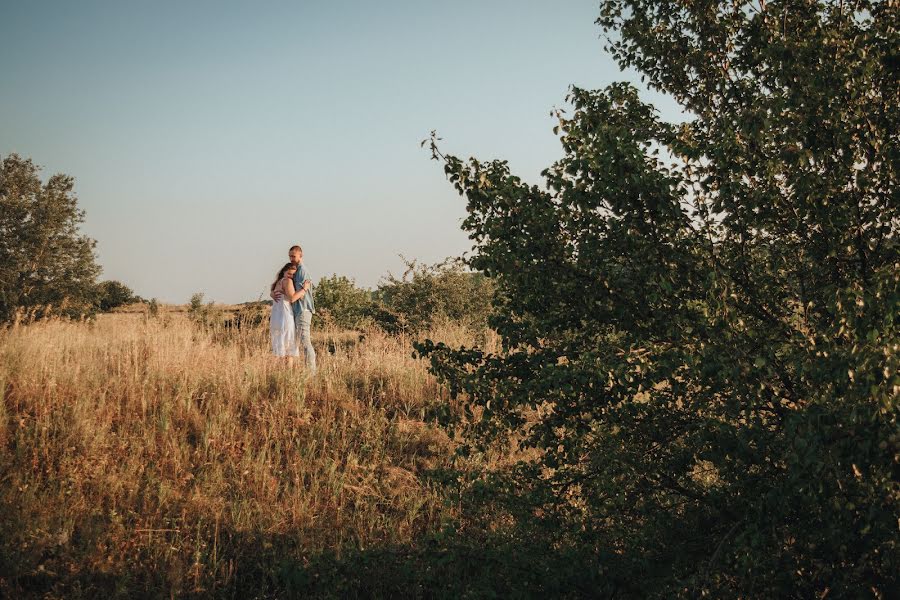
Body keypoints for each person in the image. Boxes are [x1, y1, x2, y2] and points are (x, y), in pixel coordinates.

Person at [273, 245, 317, 372]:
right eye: (290, 256)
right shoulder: (295, 271)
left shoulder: (302, 271)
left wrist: (303, 289)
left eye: (293, 256)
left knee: (305, 342)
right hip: (297, 311)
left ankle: (312, 373)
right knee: (295, 343)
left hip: (303, 310)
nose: (291, 258)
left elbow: (294, 296)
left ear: (300, 256)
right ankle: (299, 371)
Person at [270, 262, 300, 359]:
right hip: (285, 316)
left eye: (293, 275)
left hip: (276, 317)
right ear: (284, 272)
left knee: (280, 347)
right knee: (289, 348)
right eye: (289, 273)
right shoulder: (287, 281)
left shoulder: (277, 283)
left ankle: (281, 372)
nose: (291, 277)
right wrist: (304, 289)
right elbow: (292, 298)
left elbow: (273, 294)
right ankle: (289, 372)